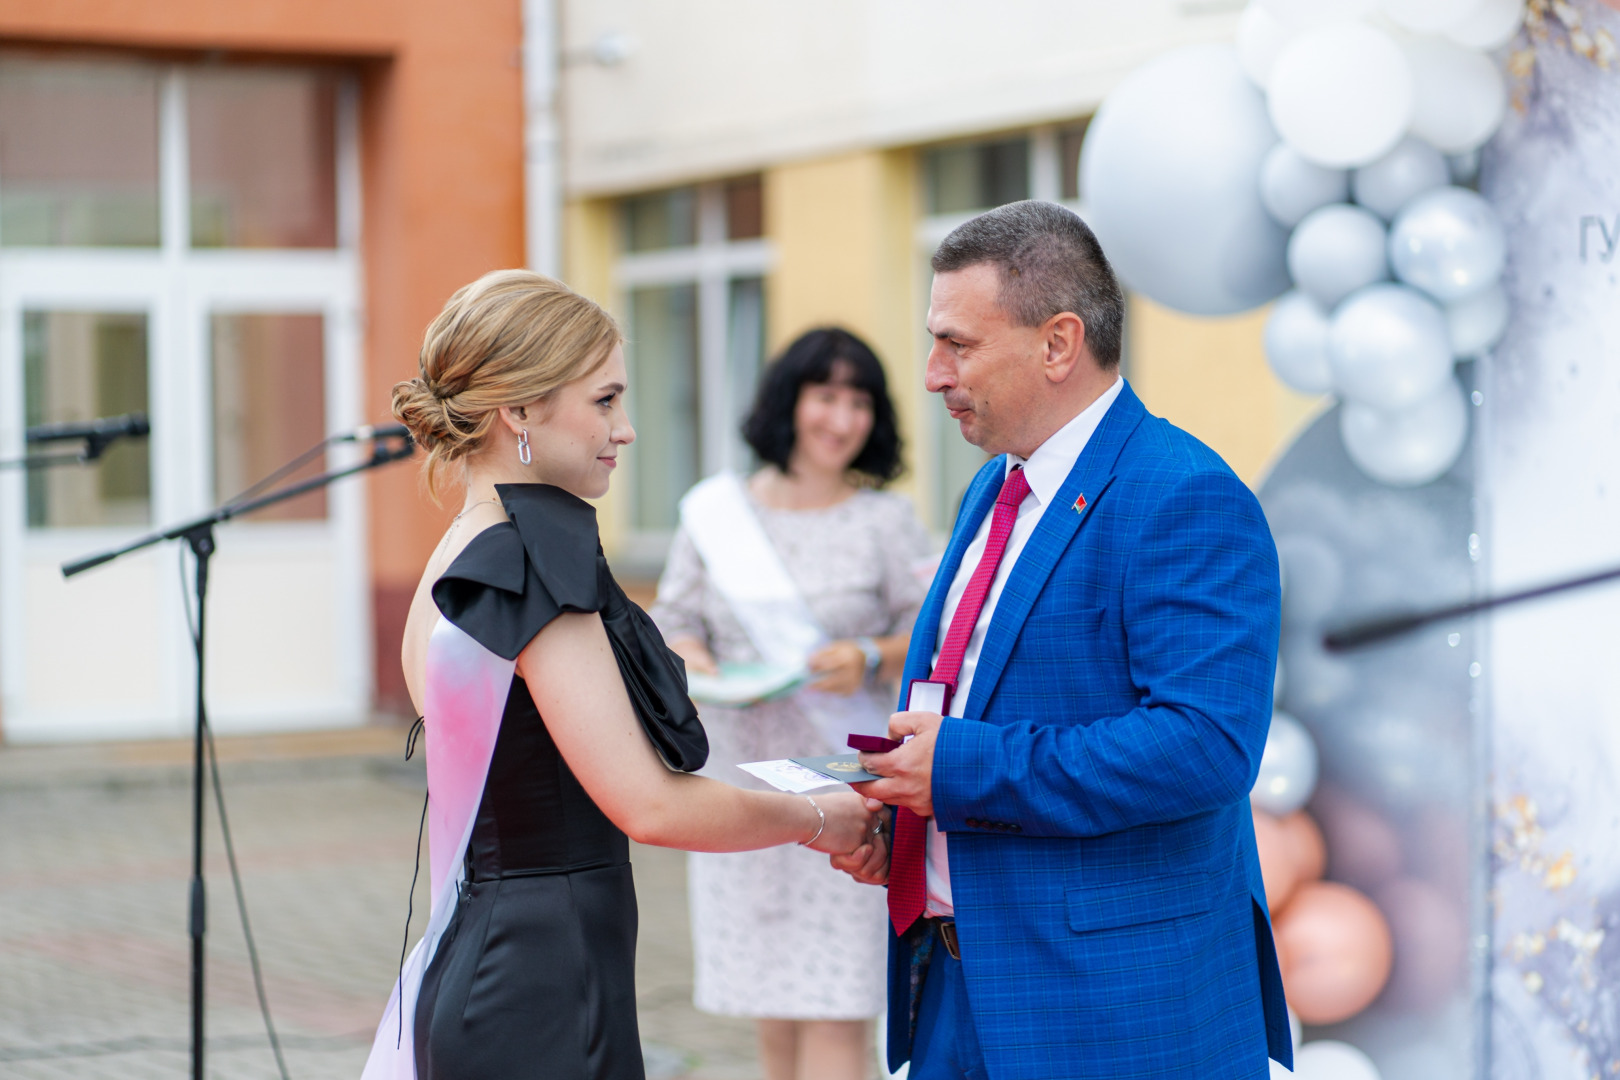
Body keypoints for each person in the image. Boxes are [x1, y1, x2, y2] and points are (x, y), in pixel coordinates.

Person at [362, 270, 878, 1080]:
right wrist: (818, 818)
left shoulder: (457, 555)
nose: (627, 429)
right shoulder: (532, 568)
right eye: (604, 401)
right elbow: (647, 803)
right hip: (543, 985)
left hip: (486, 956)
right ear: (520, 410)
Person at [832, 201, 1292, 1080]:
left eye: (957, 345)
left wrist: (960, 770)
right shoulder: (994, 488)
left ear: (1058, 343)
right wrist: (904, 817)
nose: (931, 374)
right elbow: (978, 699)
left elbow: (1206, 746)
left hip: (1113, 1012)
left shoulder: (1183, 495)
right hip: (958, 991)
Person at [651, 328, 932, 1080]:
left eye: (858, 402)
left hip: (846, 780)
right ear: (790, 401)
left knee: (840, 1010)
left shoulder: (884, 519)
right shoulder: (715, 513)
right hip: (745, 785)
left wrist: (868, 655)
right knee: (770, 1015)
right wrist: (695, 658)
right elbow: (675, 620)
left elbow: (933, 630)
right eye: (826, 397)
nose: (841, 419)